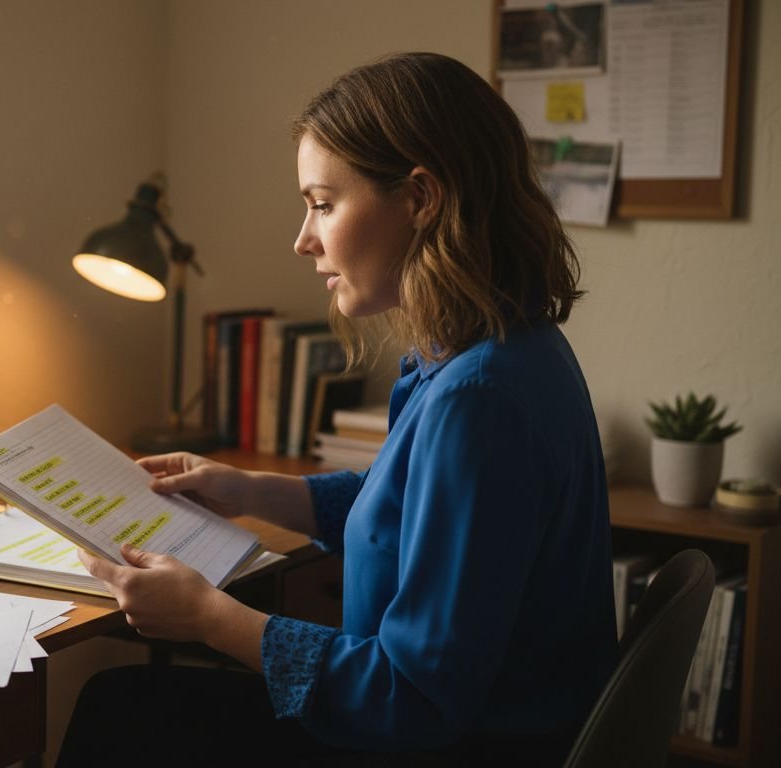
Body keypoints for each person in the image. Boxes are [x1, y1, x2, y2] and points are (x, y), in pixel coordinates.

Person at [58, 52, 615, 767]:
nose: (303, 239)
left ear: (420, 198)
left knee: (121, 709)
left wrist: (207, 617)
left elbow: (411, 698)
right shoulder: (495, 350)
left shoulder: (479, 400)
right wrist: (252, 490)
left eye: (323, 204)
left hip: (447, 745)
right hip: (480, 727)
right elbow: (415, 510)